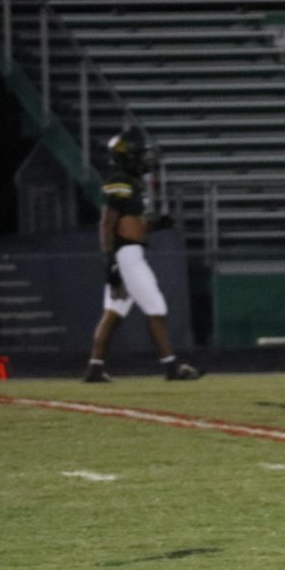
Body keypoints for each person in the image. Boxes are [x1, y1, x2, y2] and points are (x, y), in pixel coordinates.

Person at [83, 127, 200, 383]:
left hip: (127, 254)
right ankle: (171, 367)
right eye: (141, 155)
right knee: (155, 306)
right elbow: (107, 224)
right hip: (126, 256)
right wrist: (111, 263)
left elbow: (136, 225)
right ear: (129, 157)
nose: (146, 160)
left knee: (112, 313)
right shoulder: (120, 183)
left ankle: (94, 369)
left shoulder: (132, 185)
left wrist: (159, 224)